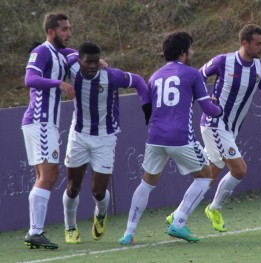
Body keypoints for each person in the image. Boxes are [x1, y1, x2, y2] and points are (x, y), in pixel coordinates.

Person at [119, 32, 223, 245]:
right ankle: (179, 221)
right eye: (190, 50)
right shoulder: (193, 74)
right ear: (184, 53)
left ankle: (128, 233)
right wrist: (220, 109)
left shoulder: (155, 76)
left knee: (146, 183)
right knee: (205, 176)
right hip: (180, 137)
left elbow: (165, 102)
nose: (192, 53)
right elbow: (209, 110)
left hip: (155, 137)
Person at [198, 24, 261, 232]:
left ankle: (178, 215)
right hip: (214, 123)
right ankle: (214, 208)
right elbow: (198, 77)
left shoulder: (260, 67)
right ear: (244, 43)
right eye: (258, 44)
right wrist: (204, 98)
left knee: (209, 175)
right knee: (239, 169)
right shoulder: (222, 61)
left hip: (231, 128)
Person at [62, 41, 151, 244]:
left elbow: (138, 81)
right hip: (79, 136)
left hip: (105, 137)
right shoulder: (71, 67)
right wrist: (74, 55)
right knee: (73, 187)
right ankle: (70, 227)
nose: (93, 65)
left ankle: (100, 215)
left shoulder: (111, 76)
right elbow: (60, 52)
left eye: (95, 61)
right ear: (80, 61)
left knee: (98, 191)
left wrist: (147, 108)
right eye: (88, 62)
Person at [22, 12, 75, 249]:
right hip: (41, 121)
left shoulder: (58, 53)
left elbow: (73, 54)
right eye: (64, 29)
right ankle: (35, 231)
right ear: (51, 31)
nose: (68, 33)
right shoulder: (42, 51)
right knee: (50, 175)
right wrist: (59, 83)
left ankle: (35, 231)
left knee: (43, 177)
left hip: (45, 123)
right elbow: (30, 78)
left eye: (69, 29)